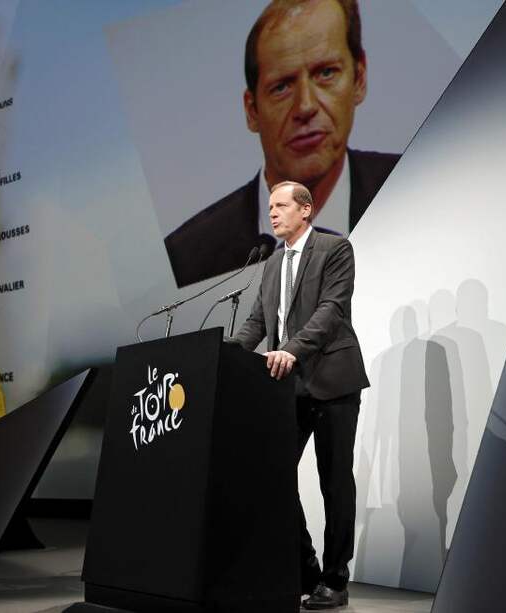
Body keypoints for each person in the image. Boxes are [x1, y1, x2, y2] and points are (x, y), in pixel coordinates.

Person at [165, 0, 398, 288]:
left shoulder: (414, 184)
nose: (305, 106)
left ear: (359, 78)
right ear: (252, 111)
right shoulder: (186, 259)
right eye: (281, 87)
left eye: (326, 73)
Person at [229, 181, 369, 609]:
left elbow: (331, 311)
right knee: (270, 474)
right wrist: (226, 356)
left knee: (334, 482)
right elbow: (258, 321)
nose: (272, 213)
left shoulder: (334, 249)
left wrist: (291, 349)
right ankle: (306, 568)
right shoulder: (273, 262)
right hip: (288, 388)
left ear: (305, 210)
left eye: (281, 205)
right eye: (270, 206)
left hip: (332, 381)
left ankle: (335, 579)